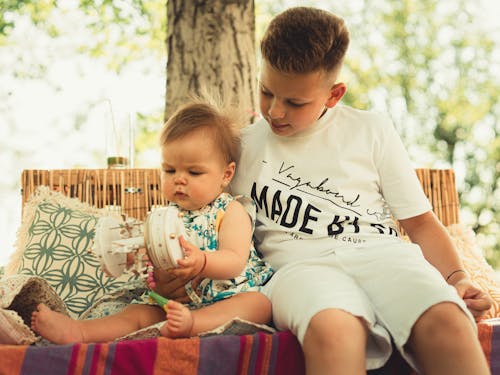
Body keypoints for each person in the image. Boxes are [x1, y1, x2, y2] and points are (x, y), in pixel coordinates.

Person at [157, 6, 492, 375]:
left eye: (295, 102)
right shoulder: (241, 147)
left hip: (381, 255)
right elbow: (203, 216)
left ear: (334, 95)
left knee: (447, 320)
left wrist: (458, 279)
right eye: (267, 92)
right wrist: (177, 268)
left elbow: (421, 223)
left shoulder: (371, 129)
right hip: (298, 270)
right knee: (335, 329)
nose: (276, 112)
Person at [30, 97, 273, 344]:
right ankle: (80, 331)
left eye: (194, 172)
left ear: (226, 174)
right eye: (170, 170)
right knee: (137, 313)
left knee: (259, 304)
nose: (180, 179)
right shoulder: (163, 217)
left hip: (224, 298)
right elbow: (154, 268)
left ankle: (193, 324)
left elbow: (234, 260)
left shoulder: (229, 210)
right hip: (172, 304)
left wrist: (202, 261)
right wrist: (145, 268)